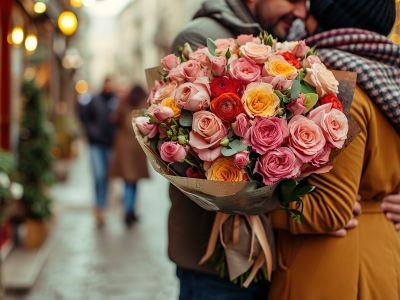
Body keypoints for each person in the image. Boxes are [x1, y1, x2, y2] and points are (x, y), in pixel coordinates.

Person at [169, 1, 307, 299]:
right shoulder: (200, 36)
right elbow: (192, 158)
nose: (301, 12)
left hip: (269, 256)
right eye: (293, 0)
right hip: (212, 260)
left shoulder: (276, 40)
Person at [268, 0, 400, 299]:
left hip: (331, 268)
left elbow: (331, 210)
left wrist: (253, 213)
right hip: (383, 254)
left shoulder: (338, 84)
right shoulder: (388, 77)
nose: (303, 14)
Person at [78, 77, 117, 227]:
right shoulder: (95, 100)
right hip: (95, 144)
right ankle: (99, 205)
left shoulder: (116, 101)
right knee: (98, 174)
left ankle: (103, 206)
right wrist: (90, 131)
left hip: (110, 145)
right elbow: (84, 116)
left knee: (107, 177)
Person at [109, 84, 149, 227]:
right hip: (137, 147)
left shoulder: (124, 103)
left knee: (128, 181)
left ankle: (129, 210)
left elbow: (114, 119)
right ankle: (130, 211)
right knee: (134, 181)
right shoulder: (144, 105)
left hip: (124, 148)